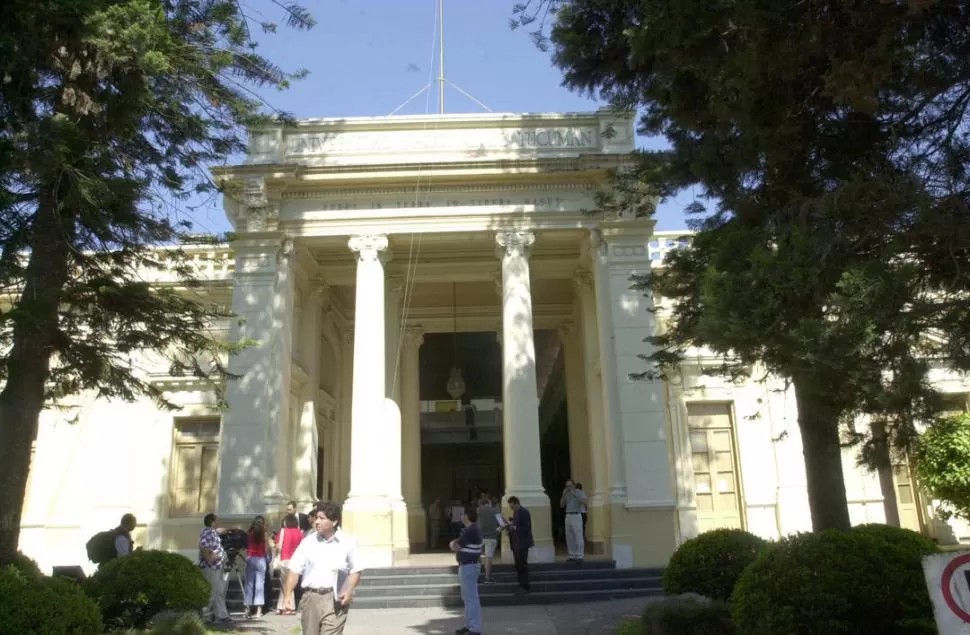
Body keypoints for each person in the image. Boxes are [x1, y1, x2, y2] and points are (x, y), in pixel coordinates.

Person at [284, 500, 363, 635]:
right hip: (311, 598)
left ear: (334, 522)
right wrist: (287, 594)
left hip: (335, 599)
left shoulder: (348, 542)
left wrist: (349, 590)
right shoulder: (308, 542)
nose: (317, 522)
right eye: (316, 518)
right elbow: (294, 569)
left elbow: (356, 570)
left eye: (322, 518)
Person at [449, 506, 482, 635]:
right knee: (467, 598)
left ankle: (474, 627)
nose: (461, 516)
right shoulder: (471, 529)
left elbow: (455, 545)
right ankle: (469, 625)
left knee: (471, 598)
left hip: (469, 566)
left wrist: (453, 543)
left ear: (467, 516)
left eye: (463, 515)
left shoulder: (471, 530)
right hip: (467, 566)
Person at [199, 513, 232, 627]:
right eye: (217, 520)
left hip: (216, 567)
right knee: (211, 592)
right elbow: (203, 546)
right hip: (211, 567)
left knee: (219, 591)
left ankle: (222, 616)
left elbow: (219, 530)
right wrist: (210, 558)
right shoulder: (208, 532)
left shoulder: (212, 532)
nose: (219, 522)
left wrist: (231, 530)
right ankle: (205, 617)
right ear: (213, 522)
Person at [275, 513, 305, 615]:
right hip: (295, 561)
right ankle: (281, 606)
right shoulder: (300, 533)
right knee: (288, 584)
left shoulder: (283, 531)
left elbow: (278, 545)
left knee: (286, 585)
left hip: (285, 559)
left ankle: (288, 606)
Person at [505, 496, 532, 593]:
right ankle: (521, 584)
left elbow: (526, 528)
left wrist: (514, 527)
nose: (511, 508)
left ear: (516, 503)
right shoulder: (516, 512)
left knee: (522, 565)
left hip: (522, 543)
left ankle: (524, 586)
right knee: (518, 565)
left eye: (512, 506)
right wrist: (510, 524)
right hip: (517, 543)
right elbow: (516, 524)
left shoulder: (523, 512)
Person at [244, 515, 268, 618]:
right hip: (261, 559)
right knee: (260, 585)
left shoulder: (249, 533)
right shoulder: (264, 534)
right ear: (262, 523)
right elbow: (266, 550)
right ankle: (259, 611)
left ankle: (247, 609)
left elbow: (246, 546)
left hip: (250, 558)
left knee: (249, 584)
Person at [560, 479, 587, 561]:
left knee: (578, 535)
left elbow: (585, 502)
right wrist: (563, 496)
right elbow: (561, 505)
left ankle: (580, 555)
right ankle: (572, 555)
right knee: (569, 536)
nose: (568, 488)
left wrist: (575, 495)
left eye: (570, 486)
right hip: (568, 515)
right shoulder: (566, 493)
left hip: (576, 515)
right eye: (567, 486)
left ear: (574, 485)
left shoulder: (579, 492)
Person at [476, 494, 500, 584]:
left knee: (476, 556)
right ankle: (487, 577)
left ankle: (476, 576)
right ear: (489, 503)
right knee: (488, 557)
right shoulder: (496, 511)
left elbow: (476, 524)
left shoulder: (478, 511)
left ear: (481, 504)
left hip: (480, 537)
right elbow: (501, 525)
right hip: (492, 537)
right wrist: (497, 531)